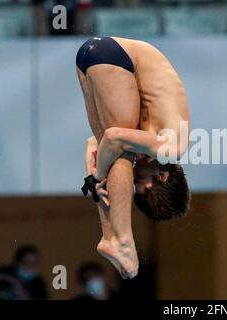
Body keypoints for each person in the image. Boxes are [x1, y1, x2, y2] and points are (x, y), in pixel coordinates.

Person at [76, 36, 191, 279]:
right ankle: (123, 240)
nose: (133, 179)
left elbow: (92, 144)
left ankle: (111, 237)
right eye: (138, 183)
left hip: (92, 55)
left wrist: (93, 178)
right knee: (120, 152)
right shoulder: (171, 147)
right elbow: (113, 137)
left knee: (114, 156)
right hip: (117, 57)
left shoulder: (149, 147)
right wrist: (97, 176)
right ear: (162, 175)